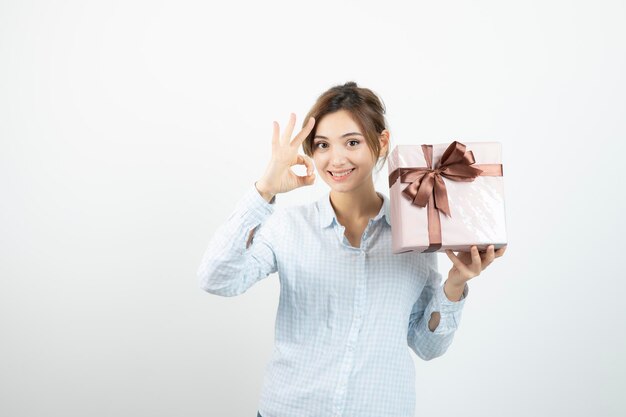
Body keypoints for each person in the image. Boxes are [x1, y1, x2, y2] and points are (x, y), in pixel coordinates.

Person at [197, 81, 506, 417]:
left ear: (382, 142)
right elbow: (217, 278)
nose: (336, 158)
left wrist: (456, 283)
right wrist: (266, 188)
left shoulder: (415, 234)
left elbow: (426, 346)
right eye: (322, 145)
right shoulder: (289, 227)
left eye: (352, 142)